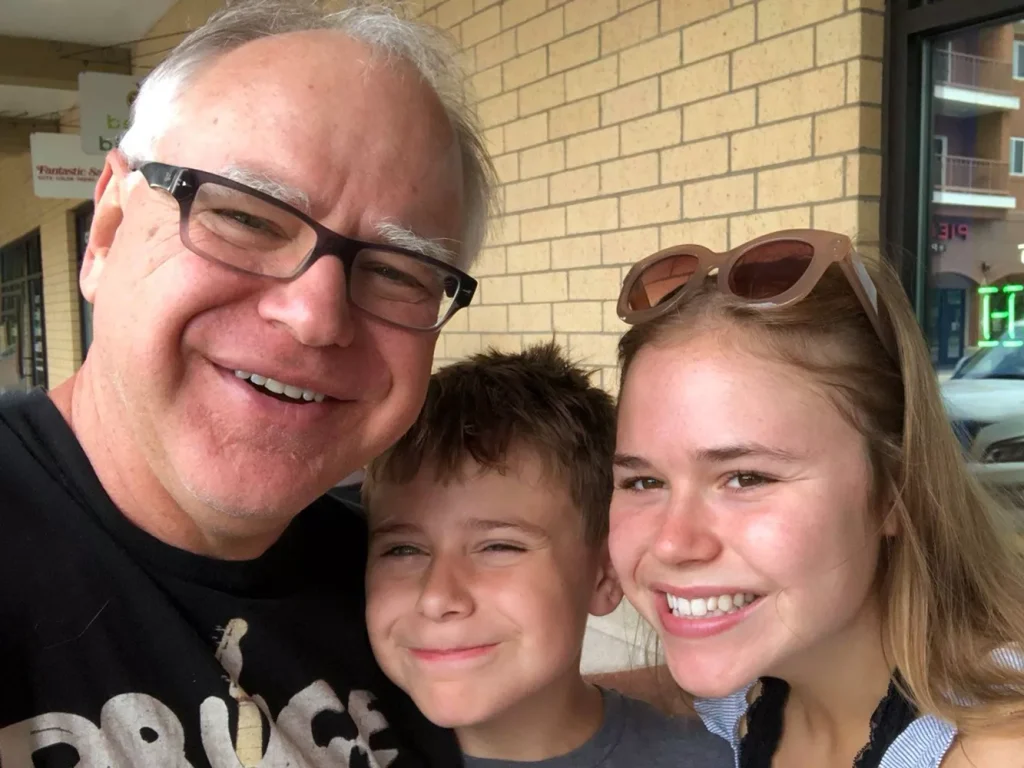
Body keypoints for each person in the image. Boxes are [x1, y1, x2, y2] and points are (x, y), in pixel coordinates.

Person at [0, 1, 497, 765]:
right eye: (248, 219)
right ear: (106, 230)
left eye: (398, 271)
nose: (314, 315)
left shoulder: (406, 600)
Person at [608, 229, 1024, 767]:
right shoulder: (750, 698)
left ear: (894, 493)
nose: (672, 543)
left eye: (746, 478)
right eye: (644, 482)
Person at [362, 343, 733, 767]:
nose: (437, 598)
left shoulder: (711, 761)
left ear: (605, 574)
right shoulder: (321, 750)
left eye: (499, 546)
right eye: (404, 550)